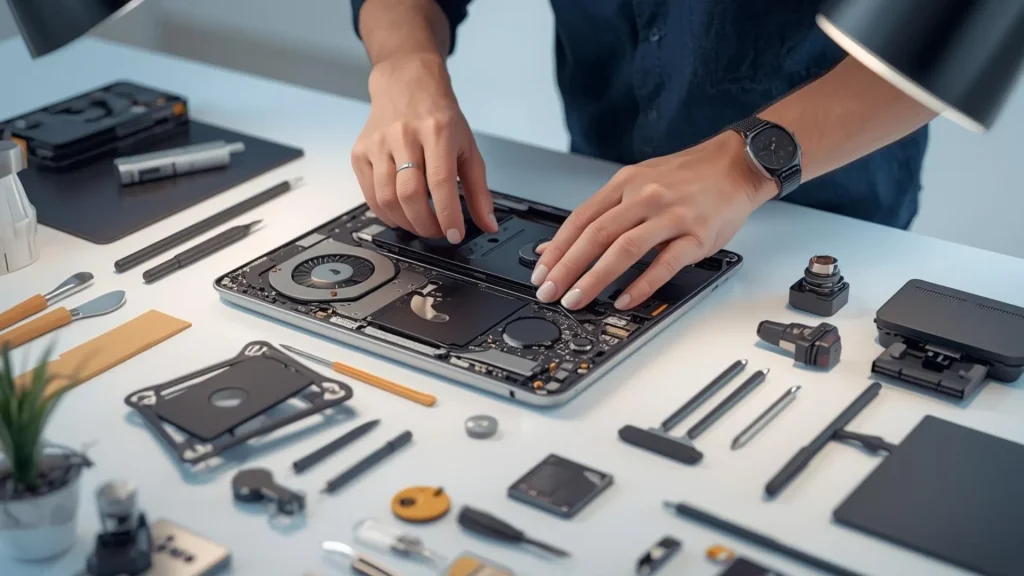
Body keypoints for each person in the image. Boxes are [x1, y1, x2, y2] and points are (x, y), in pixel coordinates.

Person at [348, 0, 935, 312]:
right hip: (597, 184)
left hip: (825, 214)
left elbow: (939, 41)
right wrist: (406, 68)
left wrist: (744, 166)